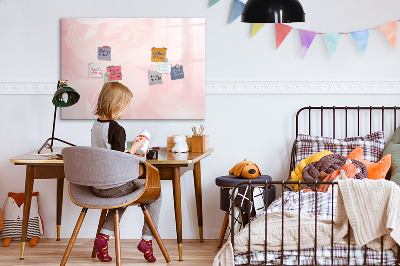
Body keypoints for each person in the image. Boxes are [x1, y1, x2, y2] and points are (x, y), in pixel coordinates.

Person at [91, 82, 161, 263]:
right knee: (156, 194)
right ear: (116, 104)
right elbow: (119, 161)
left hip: (97, 186)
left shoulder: (96, 125)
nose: (126, 109)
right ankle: (147, 240)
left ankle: (103, 238)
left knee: (121, 197)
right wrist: (136, 148)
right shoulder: (117, 129)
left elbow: (108, 154)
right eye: (125, 105)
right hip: (114, 186)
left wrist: (130, 149)